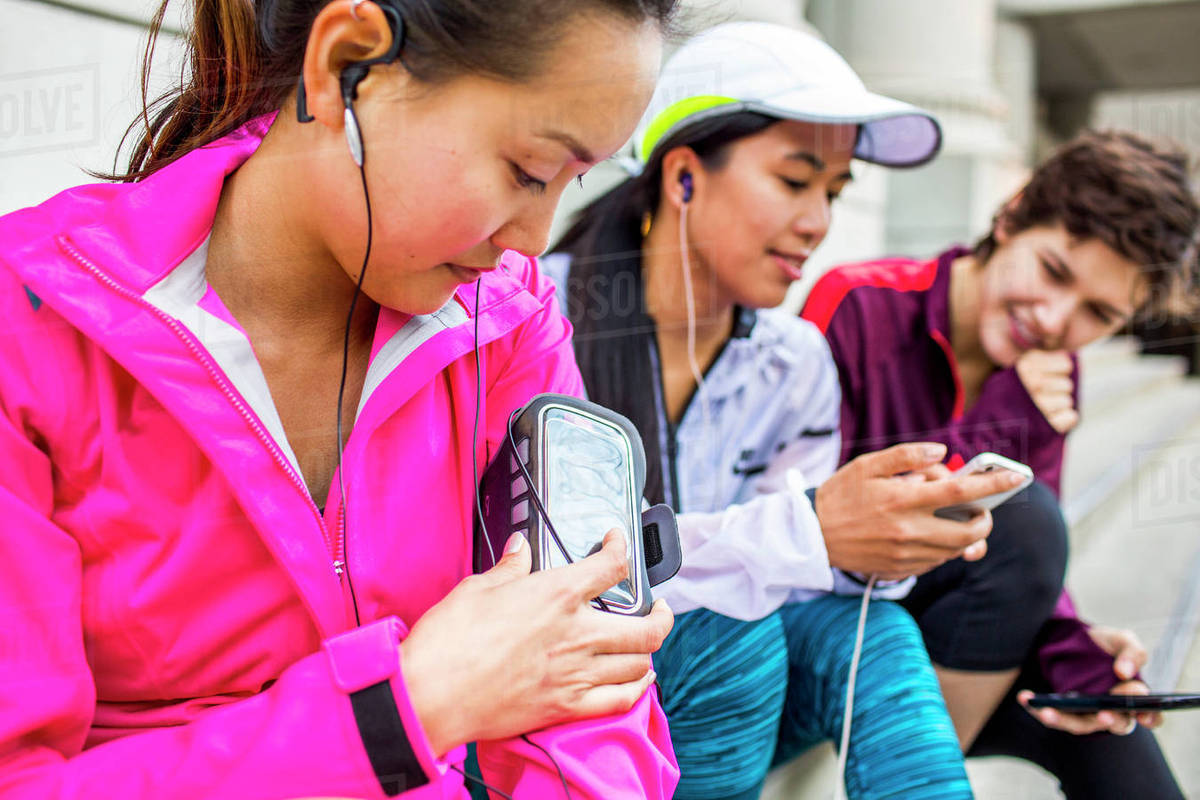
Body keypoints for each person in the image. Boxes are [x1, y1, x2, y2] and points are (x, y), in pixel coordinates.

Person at [0, 1, 686, 798]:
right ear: (346, 62)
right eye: (528, 171)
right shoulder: (31, 327)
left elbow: (589, 698)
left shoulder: (507, 325)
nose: (535, 237)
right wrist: (402, 711)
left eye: (573, 182)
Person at [547, 21, 1023, 800]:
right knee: (737, 634)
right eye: (795, 181)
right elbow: (561, 580)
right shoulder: (537, 317)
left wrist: (875, 541)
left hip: (725, 694)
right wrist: (809, 529)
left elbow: (789, 575)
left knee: (868, 631)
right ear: (683, 177)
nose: (819, 223)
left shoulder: (794, 360)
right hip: (561, 694)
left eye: (834, 193)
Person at [802, 129, 1198, 799]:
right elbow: (811, 526)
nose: (1053, 321)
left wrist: (1080, 655)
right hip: (831, 631)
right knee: (1028, 519)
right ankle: (911, 778)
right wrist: (986, 436)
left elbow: (1021, 567)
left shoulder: (1048, 370)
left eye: (1097, 313)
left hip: (946, 639)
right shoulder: (861, 303)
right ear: (1011, 215)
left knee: (1109, 727)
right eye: (1053, 271)